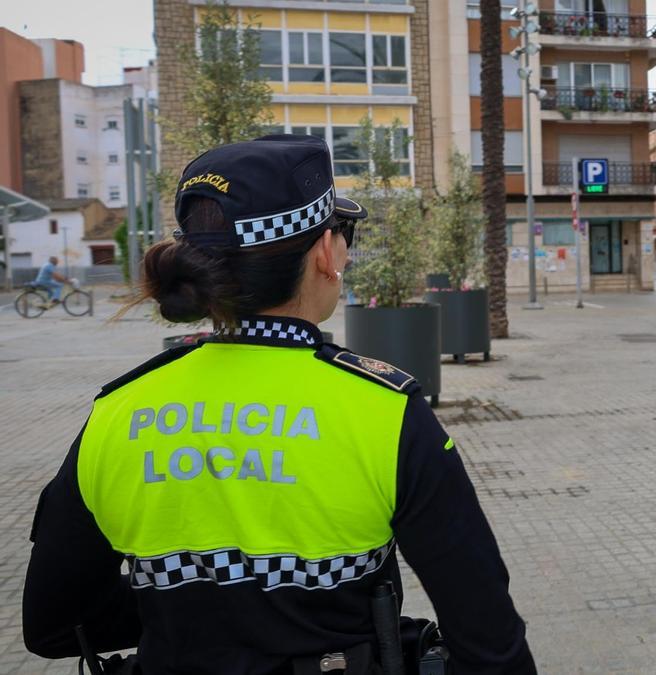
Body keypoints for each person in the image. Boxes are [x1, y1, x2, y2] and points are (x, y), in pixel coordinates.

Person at [23, 135, 537, 674]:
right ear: (325, 254)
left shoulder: (118, 410)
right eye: (344, 234)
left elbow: (53, 624)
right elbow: (489, 640)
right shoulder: (384, 410)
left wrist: (185, 611)